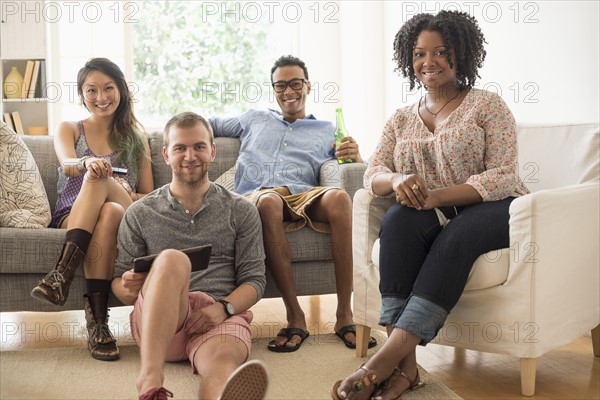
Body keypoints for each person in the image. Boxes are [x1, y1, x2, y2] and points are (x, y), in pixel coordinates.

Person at [332, 10, 529, 400]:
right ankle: (407, 370)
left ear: (462, 54)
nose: (429, 62)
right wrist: (398, 180)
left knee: (457, 234)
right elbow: (374, 171)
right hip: (430, 212)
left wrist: (437, 196)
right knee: (399, 221)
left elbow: (503, 175)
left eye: (441, 52)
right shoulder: (401, 118)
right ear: (409, 59)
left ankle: (378, 365)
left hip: (496, 208)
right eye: (420, 54)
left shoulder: (489, 106)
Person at [209, 55, 378, 353]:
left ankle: (344, 315)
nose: (289, 91)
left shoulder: (327, 129)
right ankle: (295, 316)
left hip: (303, 194)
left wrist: (357, 158)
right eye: (281, 85)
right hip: (259, 194)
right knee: (270, 203)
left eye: (295, 84)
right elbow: (207, 124)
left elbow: (348, 165)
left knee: (339, 198)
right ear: (274, 89)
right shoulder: (253, 118)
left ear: (308, 86)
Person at [111, 112, 269, 400]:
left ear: (212, 151)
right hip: (161, 322)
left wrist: (222, 309)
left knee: (222, 362)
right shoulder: (140, 213)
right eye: (180, 148)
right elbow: (119, 288)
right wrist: (127, 286)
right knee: (172, 259)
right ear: (166, 155)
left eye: (198, 146)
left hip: (217, 316)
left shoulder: (241, 210)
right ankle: (150, 379)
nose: (190, 156)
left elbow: (255, 281)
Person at [31, 58, 154, 361]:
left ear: (121, 90)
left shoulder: (137, 138)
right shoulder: (69, 129)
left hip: (128, 215)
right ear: (82, 95)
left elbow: (149, 197)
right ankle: (99, 325)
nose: (101, 97)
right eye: (92, 90)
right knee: (105, 203)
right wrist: (87, 162)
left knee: (112, 201)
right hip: (73, 216)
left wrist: (124, 189)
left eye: (109, 88)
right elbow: (68, 164)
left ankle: (60, 276)